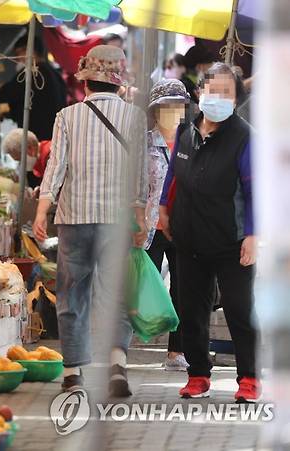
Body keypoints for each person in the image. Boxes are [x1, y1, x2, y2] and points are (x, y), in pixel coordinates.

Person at [33, 45, 148, 397]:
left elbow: (55, 169)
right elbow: (139, 174)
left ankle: (72, 372)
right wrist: (140, 215)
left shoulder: (67, 117)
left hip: (76, 219)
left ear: (86, 83)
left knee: (72, 294)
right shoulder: (135, 118)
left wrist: (41, 211)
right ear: (119, 83)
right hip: (116, 220)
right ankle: (116, 365)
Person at [158, 63, 258, 402]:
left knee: (239, 309)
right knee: (191, 310)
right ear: (200, 92)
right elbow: (173, 175)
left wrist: (253, 235)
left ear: (236, 99)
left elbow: (255, 189)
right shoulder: (186, 131)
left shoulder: (244, 137)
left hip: (231, 240)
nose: (217, 97)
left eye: (226, 92)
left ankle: (249, 379)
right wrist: (163, 210)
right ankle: (197, 374)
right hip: (189, 237)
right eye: (212, 89)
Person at [144, 79, 190, 371]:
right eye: (166, 106)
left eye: (178, 106)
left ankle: (176, 352)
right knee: (142, 288)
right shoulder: (144, 144)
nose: (173, 112)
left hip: (185, 227)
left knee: (184, 290)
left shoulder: (194, 142)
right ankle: (119, 352)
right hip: (149, 228)